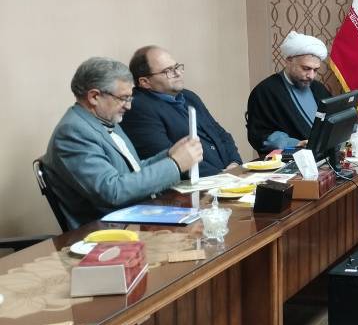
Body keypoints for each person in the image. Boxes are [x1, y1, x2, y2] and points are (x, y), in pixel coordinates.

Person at [43, 57, 203, 229]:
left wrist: (169, 155)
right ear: (94, 96)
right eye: (123, 98)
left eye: (130, 98)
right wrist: (175, 164)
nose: (128, 106)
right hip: (107, 232)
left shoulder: (104, 119)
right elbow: (113, 192)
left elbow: (134, 170)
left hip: (138, 218)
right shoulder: (73, 132)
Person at [121, 45, 242, 177]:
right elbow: (168, 158)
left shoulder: (189, 96)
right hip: (197, 184)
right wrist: (220, 176)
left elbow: (220, 134)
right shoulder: (139, 107)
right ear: (145, 82)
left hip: (226, 176)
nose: (178, 73)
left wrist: (234, 163)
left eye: (177, 67)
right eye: (168, 71)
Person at [246, 31, 332, 154]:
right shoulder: (265, 91)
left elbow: (332, 118)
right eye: (306, 68)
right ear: (289, 60)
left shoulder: (317, 88)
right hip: (289, 159)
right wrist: (296, 143)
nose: (311, 76)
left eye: (315, 70)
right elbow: (259, 134)